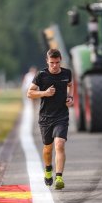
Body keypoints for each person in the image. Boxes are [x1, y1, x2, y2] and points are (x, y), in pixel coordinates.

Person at [27, 49, 73, 190]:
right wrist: (45, 93)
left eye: (57, 62)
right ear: (47, 61)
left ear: (60, 61)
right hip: (46, 117)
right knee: (48, 148)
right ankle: (48, 170)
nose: (54, 66)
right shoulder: (41, 75)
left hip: (61, 115)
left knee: (59, 144)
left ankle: (59, 177)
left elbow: (70, 85)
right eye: (52, 63)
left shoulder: (66, 73)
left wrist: (70, 97)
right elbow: (29, 93)